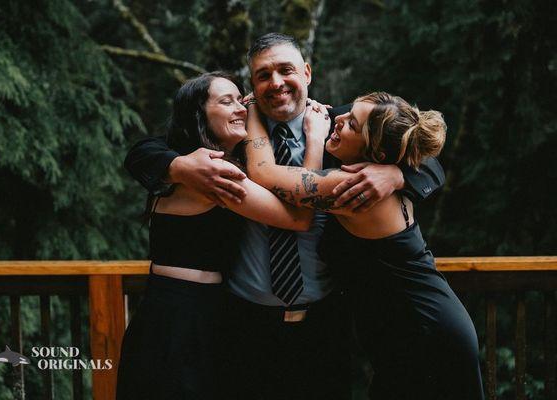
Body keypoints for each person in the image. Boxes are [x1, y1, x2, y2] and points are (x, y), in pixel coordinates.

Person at [124, 33, 445, 400]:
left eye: (285, 70)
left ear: (307, 73)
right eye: (263, 75)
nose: (275, 83)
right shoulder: (233, 138)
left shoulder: (344, 130)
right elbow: (142, 151)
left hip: (325, 320)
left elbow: (429, 157)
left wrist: (399, 174)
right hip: (243, 323)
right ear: (253, 87)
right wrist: (178, 165)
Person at [243, 91, 484, 400]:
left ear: (377, 154)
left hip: (425, 331)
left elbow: (262, 172)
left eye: (352, 125)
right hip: (409, 331)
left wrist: (252, 107)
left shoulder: (352, 188)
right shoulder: (378, 168)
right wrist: (398, 173)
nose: (337, 120)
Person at [116, 71, 321, 400]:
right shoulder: (214, 171)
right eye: (227, 102)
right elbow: (298, 218)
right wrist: (315, 140)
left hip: (176, 307)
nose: (241, 109)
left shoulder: (189, 161)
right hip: (185, 316)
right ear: (199, 114)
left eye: (242, 101)